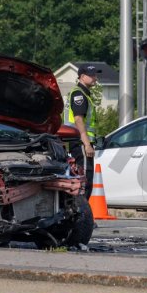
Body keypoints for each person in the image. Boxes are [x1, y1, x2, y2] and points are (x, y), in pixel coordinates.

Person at [64, 64, 101, 197]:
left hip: (79, 141)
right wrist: (86, 144)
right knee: (85, 181)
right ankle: (82, 214)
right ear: (82, 77)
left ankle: (80, 214)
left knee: (83, 180)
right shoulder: (79, 94)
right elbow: (78, 119)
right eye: (91, 75)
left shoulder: (83, 93)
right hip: (80, 143)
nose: (95, 78)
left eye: (95, 75)